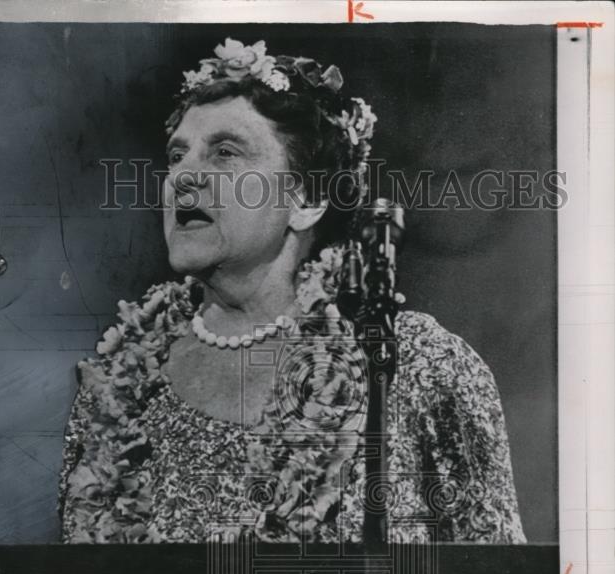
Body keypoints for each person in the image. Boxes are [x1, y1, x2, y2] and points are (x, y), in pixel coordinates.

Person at [59, 38, 525, 545]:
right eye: (177, 155)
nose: (183, 178)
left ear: (306, 199)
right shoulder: (116, 388)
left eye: (225, 153)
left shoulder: (410, 363)